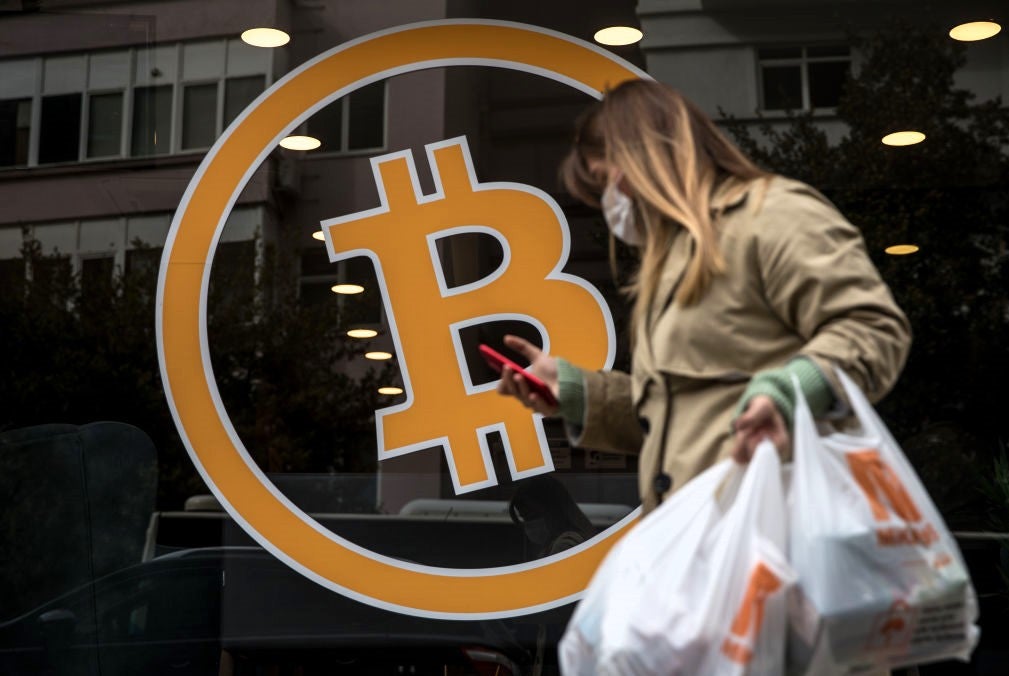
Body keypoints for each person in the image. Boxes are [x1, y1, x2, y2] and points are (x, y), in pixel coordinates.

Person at [497, 80, 911, 514]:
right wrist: (576, 392)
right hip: (707, 532)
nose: (609, 202)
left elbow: (873, 328)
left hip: (778, 527)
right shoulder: (675, 259)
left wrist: (790, 392)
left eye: (605, 181)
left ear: (642, 159)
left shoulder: (772, 215)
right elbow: (680, 415)